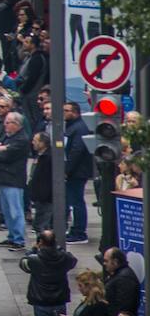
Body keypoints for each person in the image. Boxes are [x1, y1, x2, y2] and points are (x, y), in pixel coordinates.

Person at [21, 229, 78, 316]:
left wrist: (34, 249)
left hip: (41, 303)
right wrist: (58, 249)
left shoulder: (34, 259)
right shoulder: (63, 257)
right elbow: (73, 260)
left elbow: (23, 263)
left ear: (40, 242)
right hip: (59, 301)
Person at [0, 112, 31, 250]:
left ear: (17, 124)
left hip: (13, 179)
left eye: (8, 122)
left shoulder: (21, 140)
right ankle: (12, 236)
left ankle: (19, 240)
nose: (5, 124)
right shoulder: (8, 136)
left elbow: (5, 156)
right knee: (7, 211)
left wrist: (0, 149)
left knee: (15, 211)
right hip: (3, 178)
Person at [65, 101, 94, 244]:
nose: (64, 113)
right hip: (75, 171)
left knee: (77, 202)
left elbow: (77, 150)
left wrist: (66, 170)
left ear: (74, 112)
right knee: (74, 201)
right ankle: (75, 230)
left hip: (77, 172)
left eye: (66, 110)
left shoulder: (80, 128)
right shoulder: (73, 126)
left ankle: (79, 232)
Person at [102, 248, 140, 316]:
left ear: (115, 262)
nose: (104, 263)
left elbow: (124, 306)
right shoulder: (118, 275)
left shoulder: (124, 278)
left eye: (106, 261)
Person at [29, 132, 54, 233]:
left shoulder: (48, 157)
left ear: (42, 143)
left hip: (45, 198)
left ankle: (43, 247)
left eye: (35, 141)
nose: (32, 143)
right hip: (39, 197)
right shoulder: (40, 156)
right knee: (38, 224)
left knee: (42, 225)